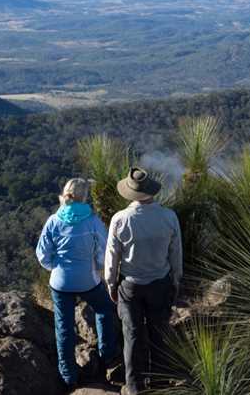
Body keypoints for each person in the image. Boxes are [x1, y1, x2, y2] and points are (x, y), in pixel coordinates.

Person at [104, 167, 183, 395]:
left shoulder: (120, 219)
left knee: (132, 335)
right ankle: (160, 383)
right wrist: (176, 280)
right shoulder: (169, 217)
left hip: (130, 286)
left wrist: (111, 284)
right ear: (151, 191)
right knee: (160, 333)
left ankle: (134, 386)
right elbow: (176, 253)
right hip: (160, 283)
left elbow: (112, 257)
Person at [36, 178, 120, 389]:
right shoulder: (92, 221)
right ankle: (107, 356)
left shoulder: (54, 220)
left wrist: (54, 266)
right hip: (87, 280)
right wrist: (96, 266)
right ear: (85, 197)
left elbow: (42, 254)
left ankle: (69, 376)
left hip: (60, 283)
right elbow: (105, 250)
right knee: (104, 309)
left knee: (63, 327)